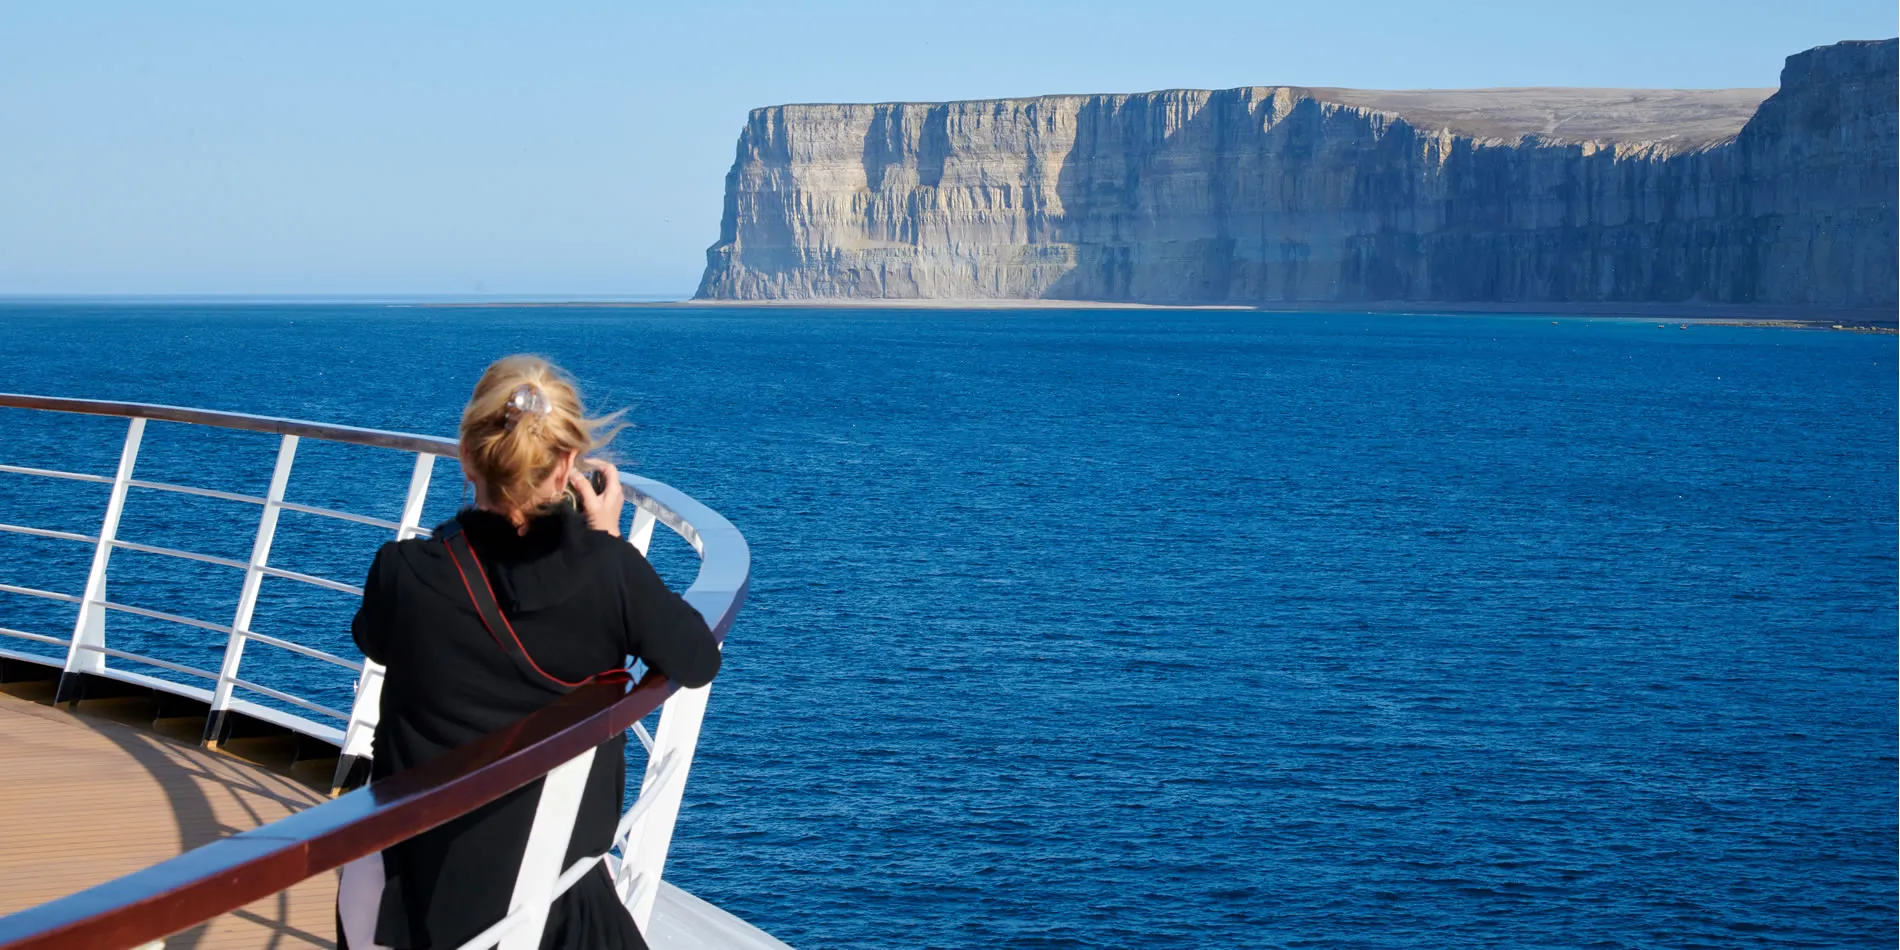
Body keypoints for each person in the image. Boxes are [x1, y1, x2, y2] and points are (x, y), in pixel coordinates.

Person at [337, 355, 721, 950]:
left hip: (415, 894)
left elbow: (374, 638)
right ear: (568, 465)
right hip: (557, 894)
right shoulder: (608, 572)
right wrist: (608, 542)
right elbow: (698, 659)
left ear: (467, 457)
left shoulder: (403, 572)